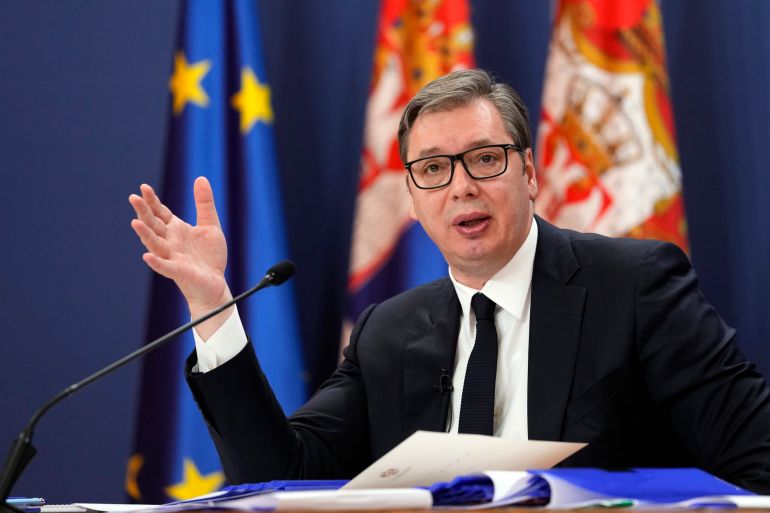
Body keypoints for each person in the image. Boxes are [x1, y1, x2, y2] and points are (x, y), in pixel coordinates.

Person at [129, 69, 770, 492]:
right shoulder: (388, 332)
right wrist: (213, 306)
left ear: (529, 174)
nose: (461, 186)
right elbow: (281, 477)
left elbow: (756, 460)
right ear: (411, 198)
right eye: (433, 169)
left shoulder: (634, 287)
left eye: (485, 159)